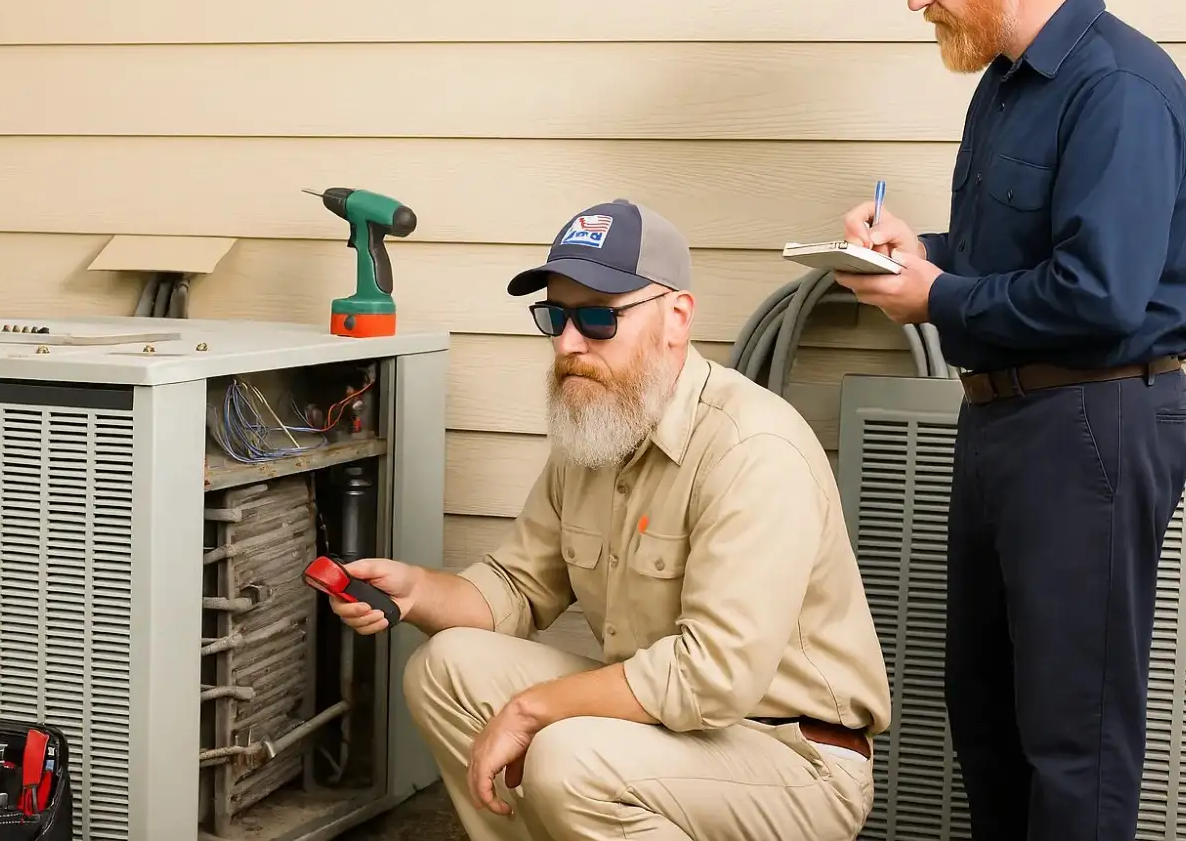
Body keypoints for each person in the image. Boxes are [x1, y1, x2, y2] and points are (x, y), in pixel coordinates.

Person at [834, 0, 1186, 841]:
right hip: (1007, 421)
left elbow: (1101, 293)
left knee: (1071, 741)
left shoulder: (1116, 86)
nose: (916, 2)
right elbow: (1026, 255)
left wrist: (939, 295)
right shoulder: (1005, 84)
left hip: (1090, 421)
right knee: (989, 719)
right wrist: (924, 258)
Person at [329, 198, 891, 840]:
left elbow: (712, 675)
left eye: (598, 318)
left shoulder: (752, 448)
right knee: (445, 667)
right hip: (660, 729)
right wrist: (420, 590)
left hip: (789, 758)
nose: (569, 344)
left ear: (676, 318)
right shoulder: (598, 428)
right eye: (556, 316)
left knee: (569, 761)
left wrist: (533, 710)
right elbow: (518, 589)